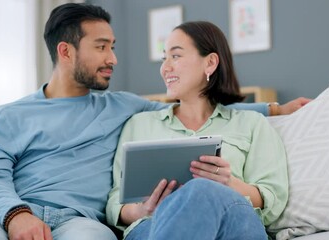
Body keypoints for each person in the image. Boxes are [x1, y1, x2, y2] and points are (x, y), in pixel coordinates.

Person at [0, 3, 305, 240]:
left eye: (113, 46)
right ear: (66, 51)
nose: (114, 59)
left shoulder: (122, 107)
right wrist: (16, 215)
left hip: (80, 222)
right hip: (8, 213)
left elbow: (204, 111)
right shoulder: (8, 116)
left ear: (209, 63)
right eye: (102, 47)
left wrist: (275, 110)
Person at [106, 21, 289, 240]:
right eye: (164, 58)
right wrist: (142, 210)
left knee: (201, 189)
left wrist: (228, 184)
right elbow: (116, 200)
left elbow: (273, 197)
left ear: (210, 63)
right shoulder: (140, 124)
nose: (165, 67)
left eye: (175, 56)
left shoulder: (252, 123)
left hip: (235, 225)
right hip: (153, 226)